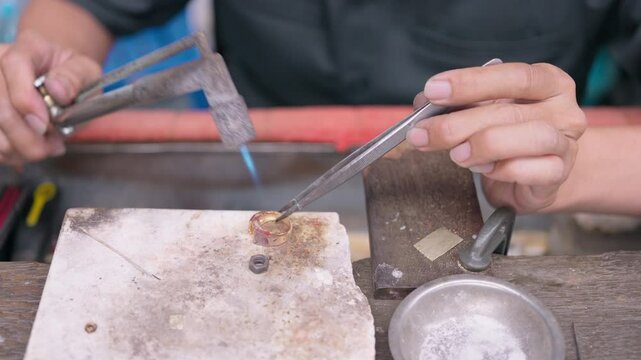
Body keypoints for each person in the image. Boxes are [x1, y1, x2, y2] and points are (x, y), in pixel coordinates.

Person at [0, 0, 640, 216]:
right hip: (272, 162)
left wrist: (569, 169)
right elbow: (88, 9)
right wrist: (44, 63)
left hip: (528, 188)